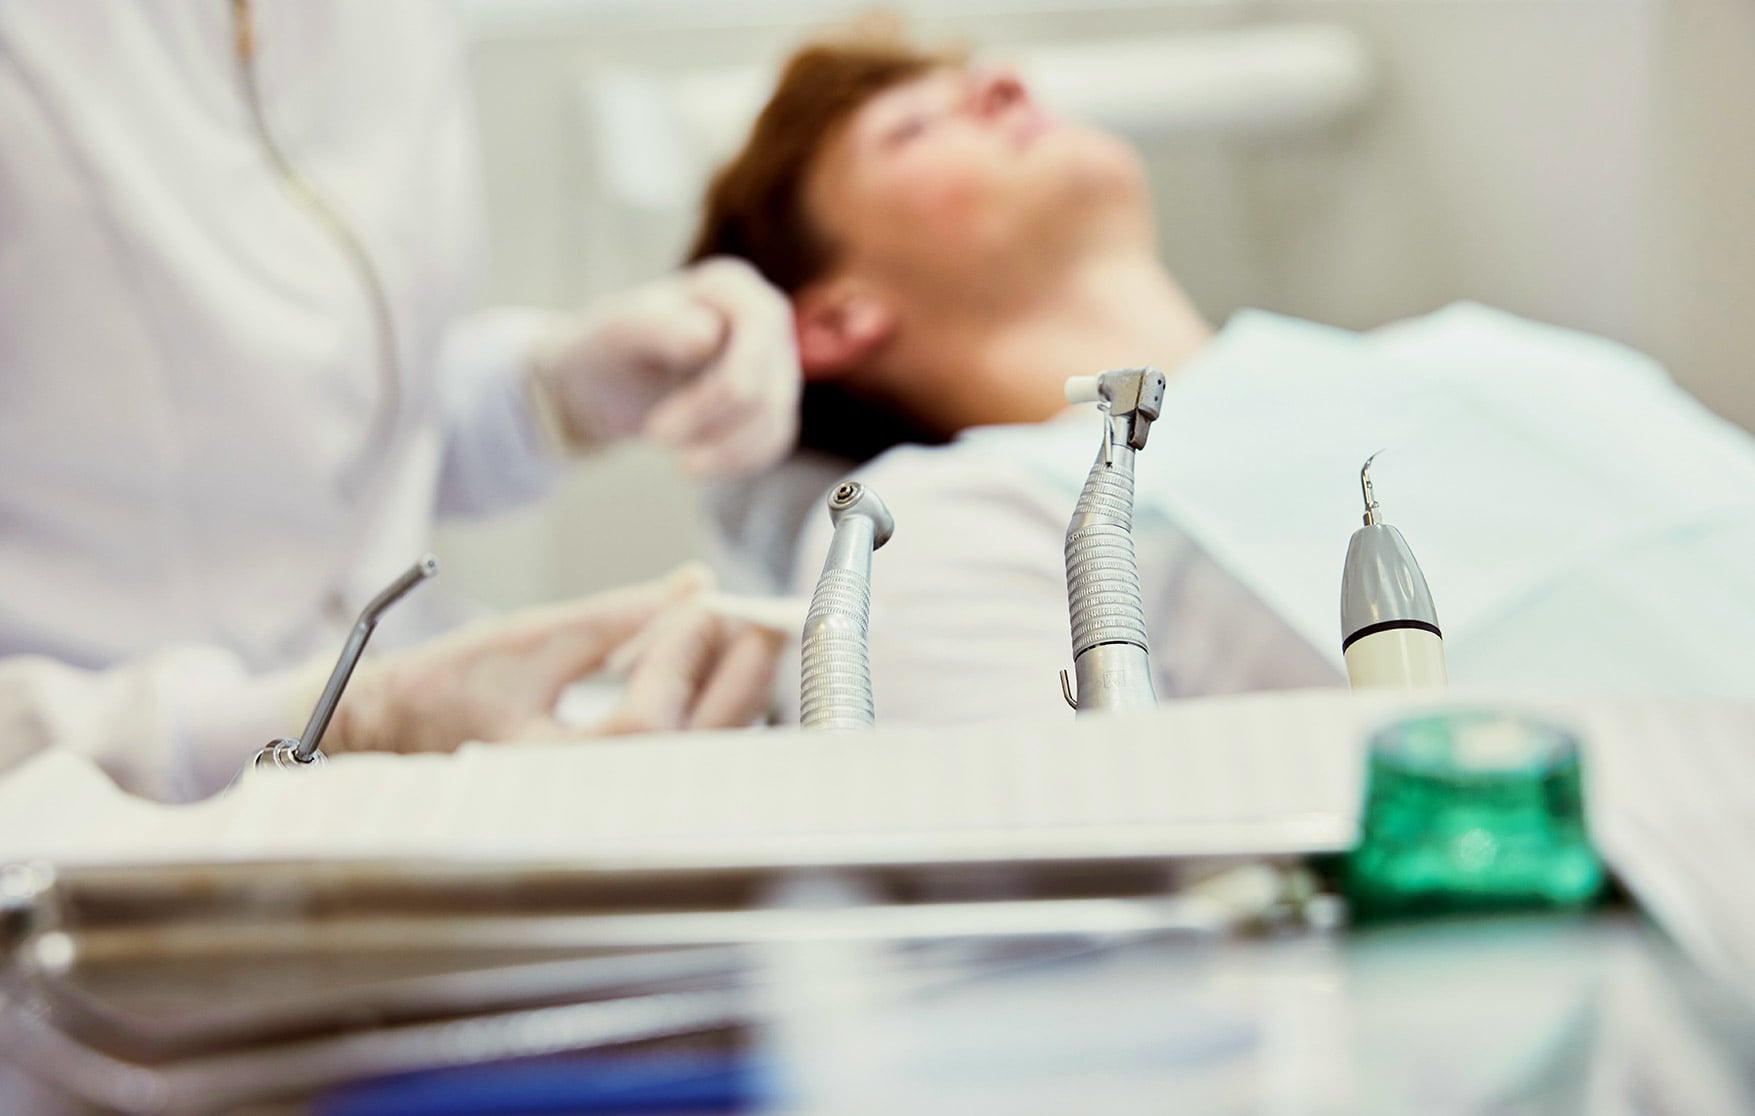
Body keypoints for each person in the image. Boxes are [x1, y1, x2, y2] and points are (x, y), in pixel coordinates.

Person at [689, 26, 1755, 724]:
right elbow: (1031, 926)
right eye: (912, 127)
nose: (1011, 79)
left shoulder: (1492, 350)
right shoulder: (947, 522)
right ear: (830, 319)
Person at [0, 1, 799, 800]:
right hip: (93, 835)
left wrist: (548, 392)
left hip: (383, 803)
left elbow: (301, 442)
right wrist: (328, 722)